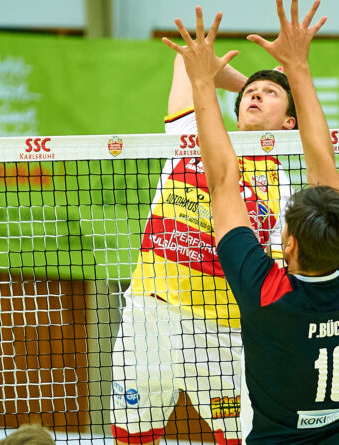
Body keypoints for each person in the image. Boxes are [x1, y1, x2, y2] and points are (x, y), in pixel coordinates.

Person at [163, 0, 339, 443]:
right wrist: (289, 73)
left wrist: (287, 70)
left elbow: (221, 180)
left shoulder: (270, 289)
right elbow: (323, 166)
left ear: (289, 246)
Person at [109, 13, 298, 445]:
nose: (256, 95)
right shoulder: (192, 135)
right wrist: (262, 82)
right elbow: (188, 62)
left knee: (242, 438)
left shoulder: (285, 188)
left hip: (222, 332)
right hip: (149, 317)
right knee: (131, 438)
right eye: (250, 93)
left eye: (269, 95)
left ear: (290, 123)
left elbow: (275, 272)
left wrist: (278, 84)